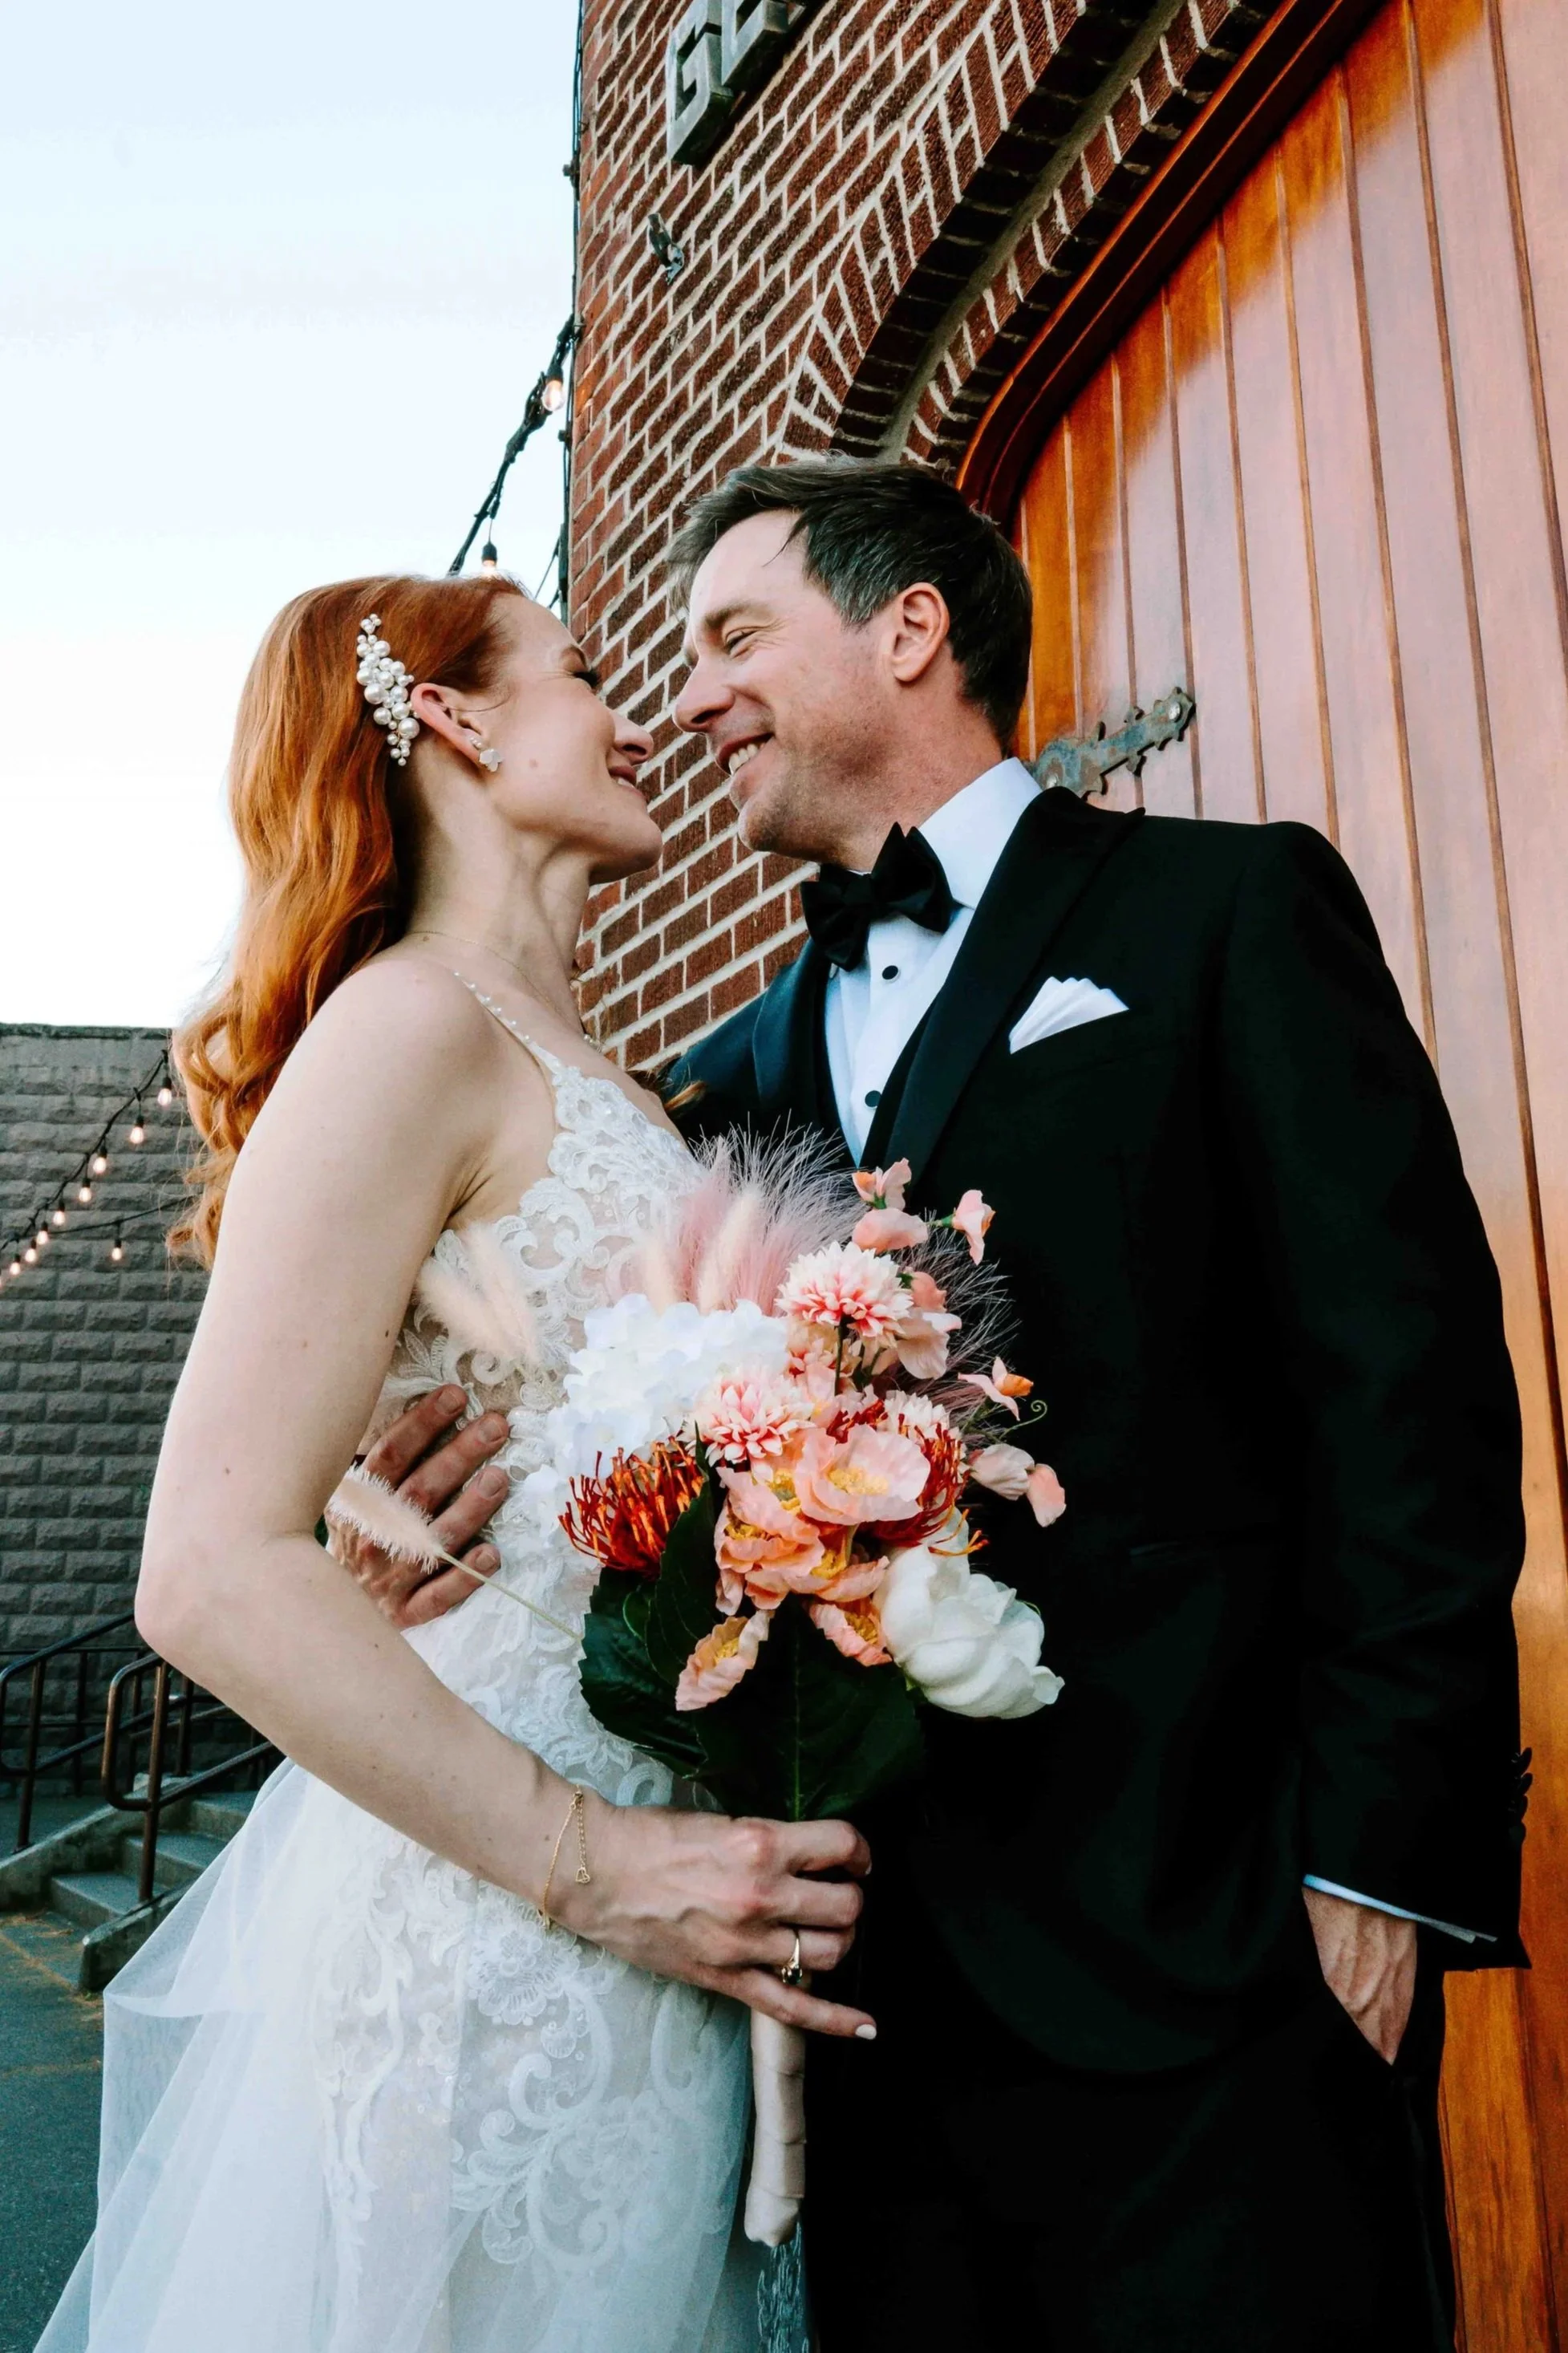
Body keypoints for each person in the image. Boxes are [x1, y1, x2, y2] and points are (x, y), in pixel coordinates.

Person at [361, 460, 1529, 2353]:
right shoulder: (710, 1088)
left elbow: (1408, 1397)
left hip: (1220, 1950)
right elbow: (554, 1379)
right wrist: (404, 1519)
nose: (689, 695)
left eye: (734, 636)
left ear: (907, 628)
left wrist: (1372, 1864)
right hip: (867, 2005)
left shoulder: (1224, 911)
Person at [38, 570, 873, 2353]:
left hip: (677, 1918)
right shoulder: (407, 1026)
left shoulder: (623, 1089)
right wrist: (595, 1863)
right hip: (508, 1919)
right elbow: (205, 1566)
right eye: (585, 674)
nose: (639, 719)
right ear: (460, 720)